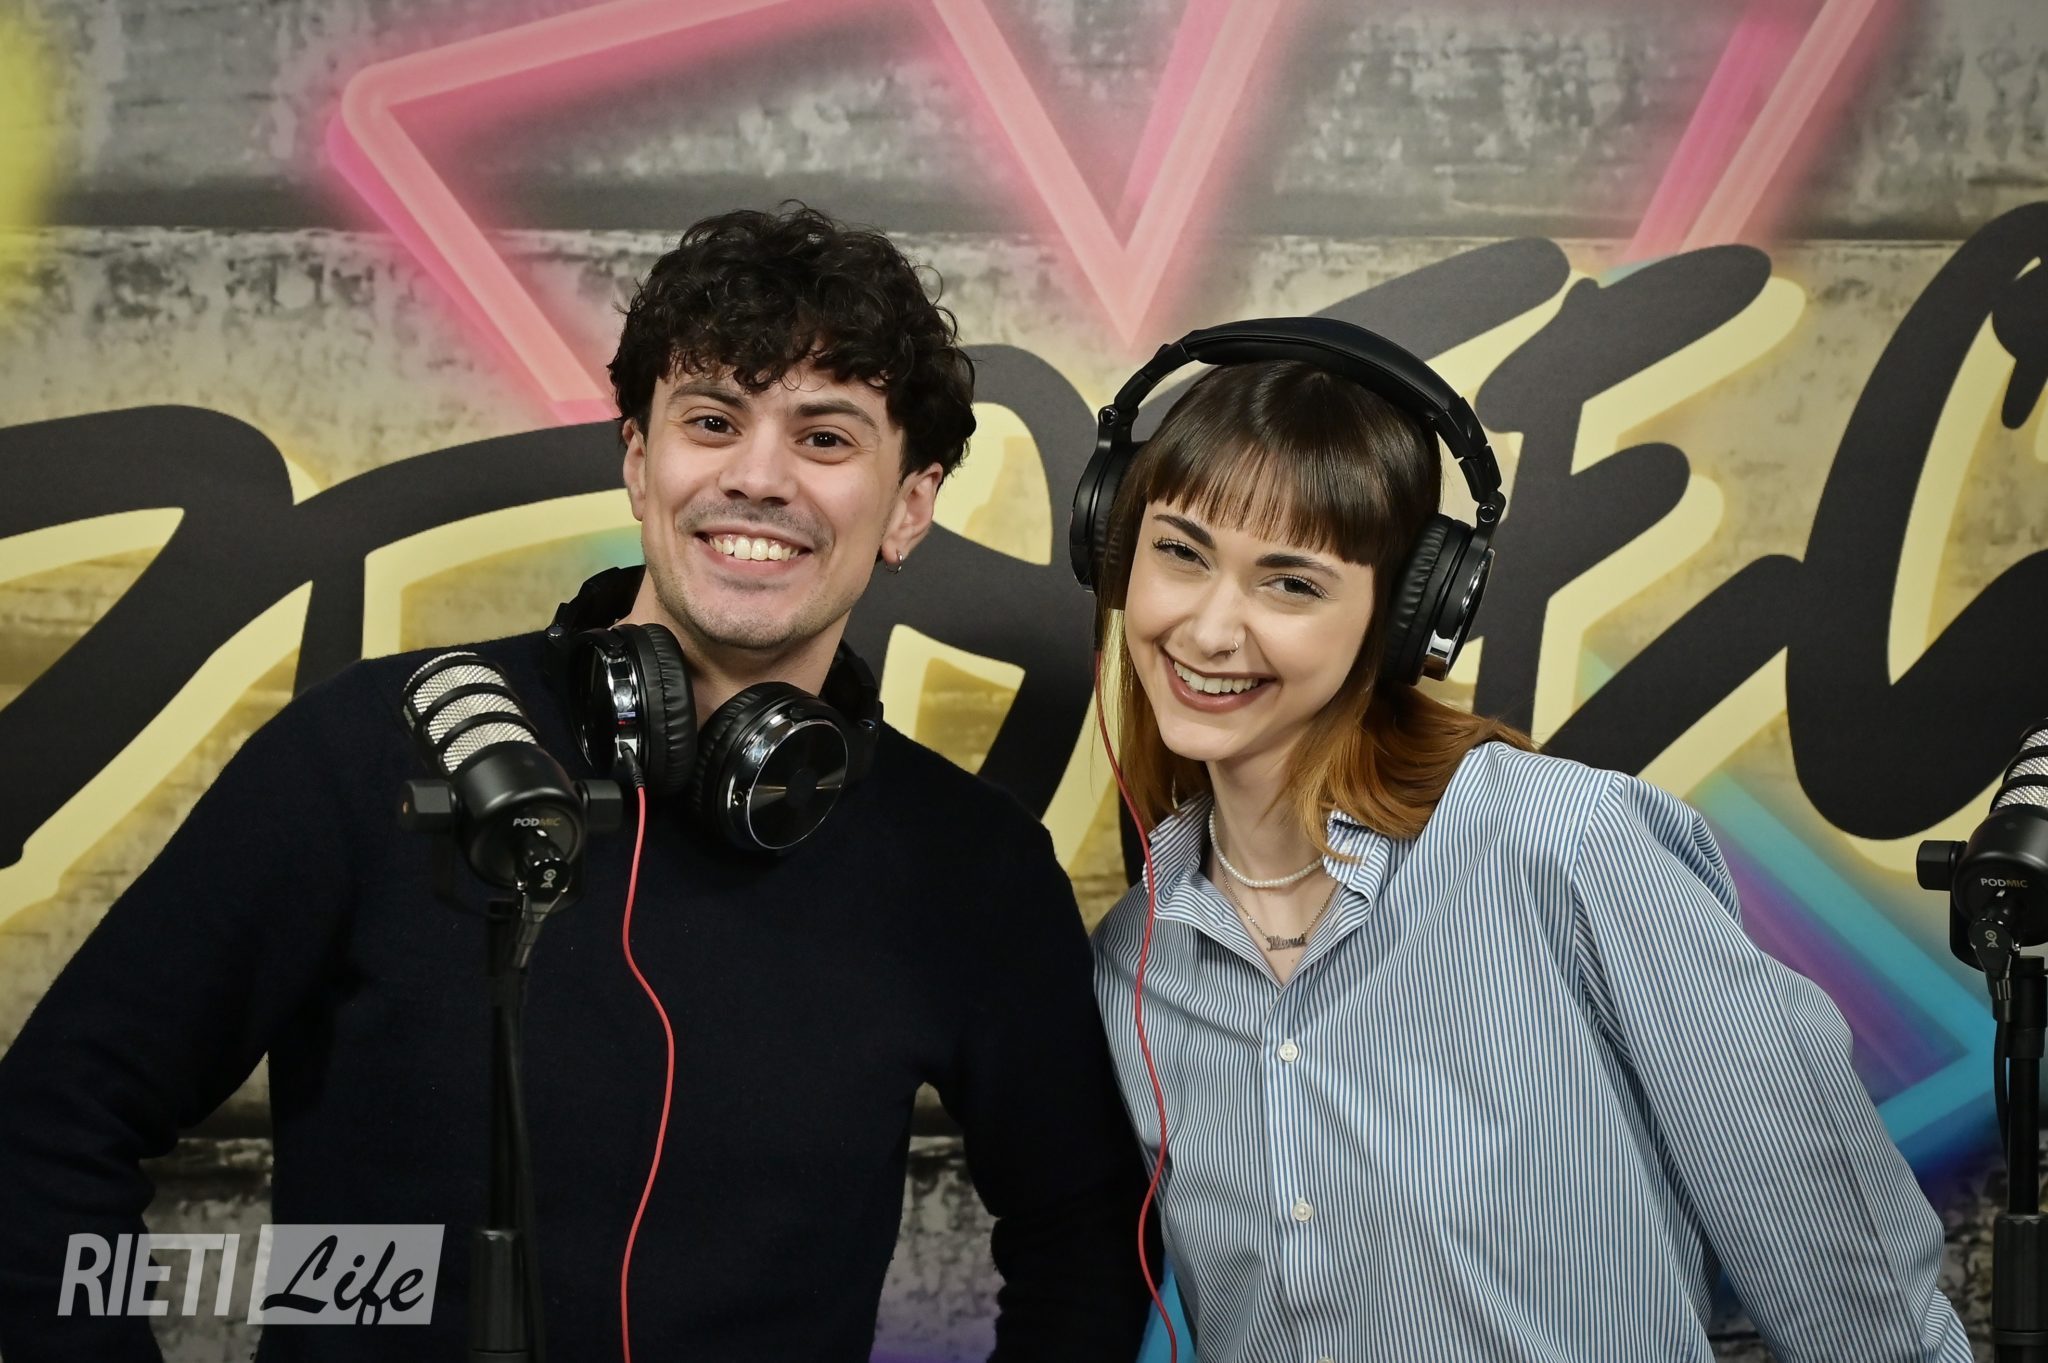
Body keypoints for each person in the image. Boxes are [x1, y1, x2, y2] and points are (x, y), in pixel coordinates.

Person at [0, 204, 1152, 1361]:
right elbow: (50, 1124)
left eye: (824, 437)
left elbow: (1088, 1244)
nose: (757, 478)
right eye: (712, 420)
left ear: (908, 506)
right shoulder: (373, 749)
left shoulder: (968, 866)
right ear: (640, 463)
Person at [1083, 329, 1974, 1362]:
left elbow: (1851, 1287)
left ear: (1403, 615)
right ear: (1116, 549)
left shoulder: (1565, 848)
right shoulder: (1135, 962)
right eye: (1181, 553)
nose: (1208, 629)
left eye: (1291, 584)